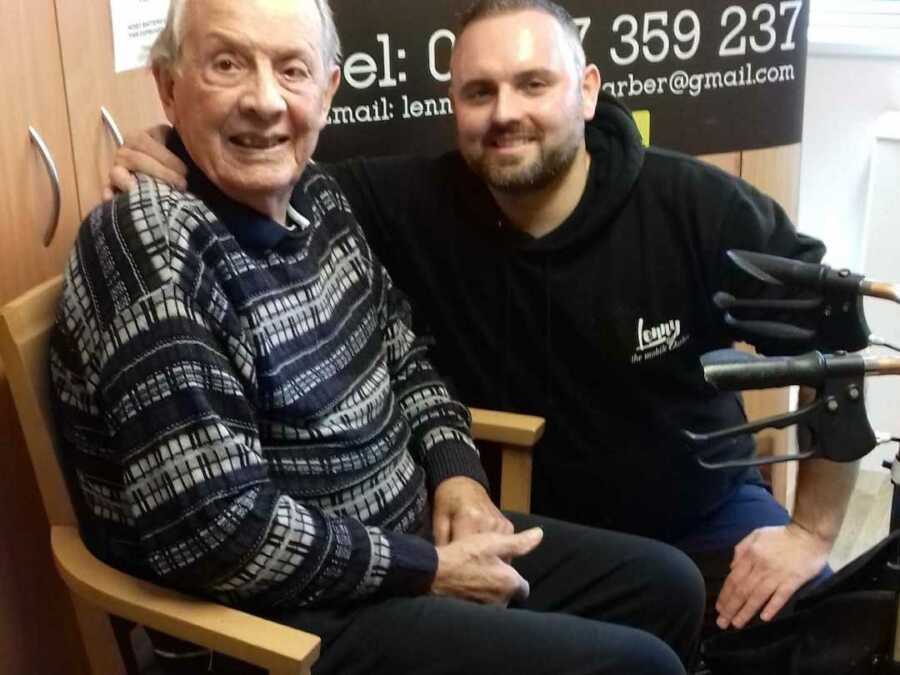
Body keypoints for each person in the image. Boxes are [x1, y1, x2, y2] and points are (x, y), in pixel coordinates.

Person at [109, 0, 857, 637]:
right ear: (454, 105)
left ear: (588, 92)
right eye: (480, 91)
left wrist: (809, 531)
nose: (506, 114)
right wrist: (170, 146)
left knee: (816, 626)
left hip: (704, 512)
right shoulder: (398, 202)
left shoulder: (699, 206)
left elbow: (836, 339)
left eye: (534, 84)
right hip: (523, 524)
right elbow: (268, 161)